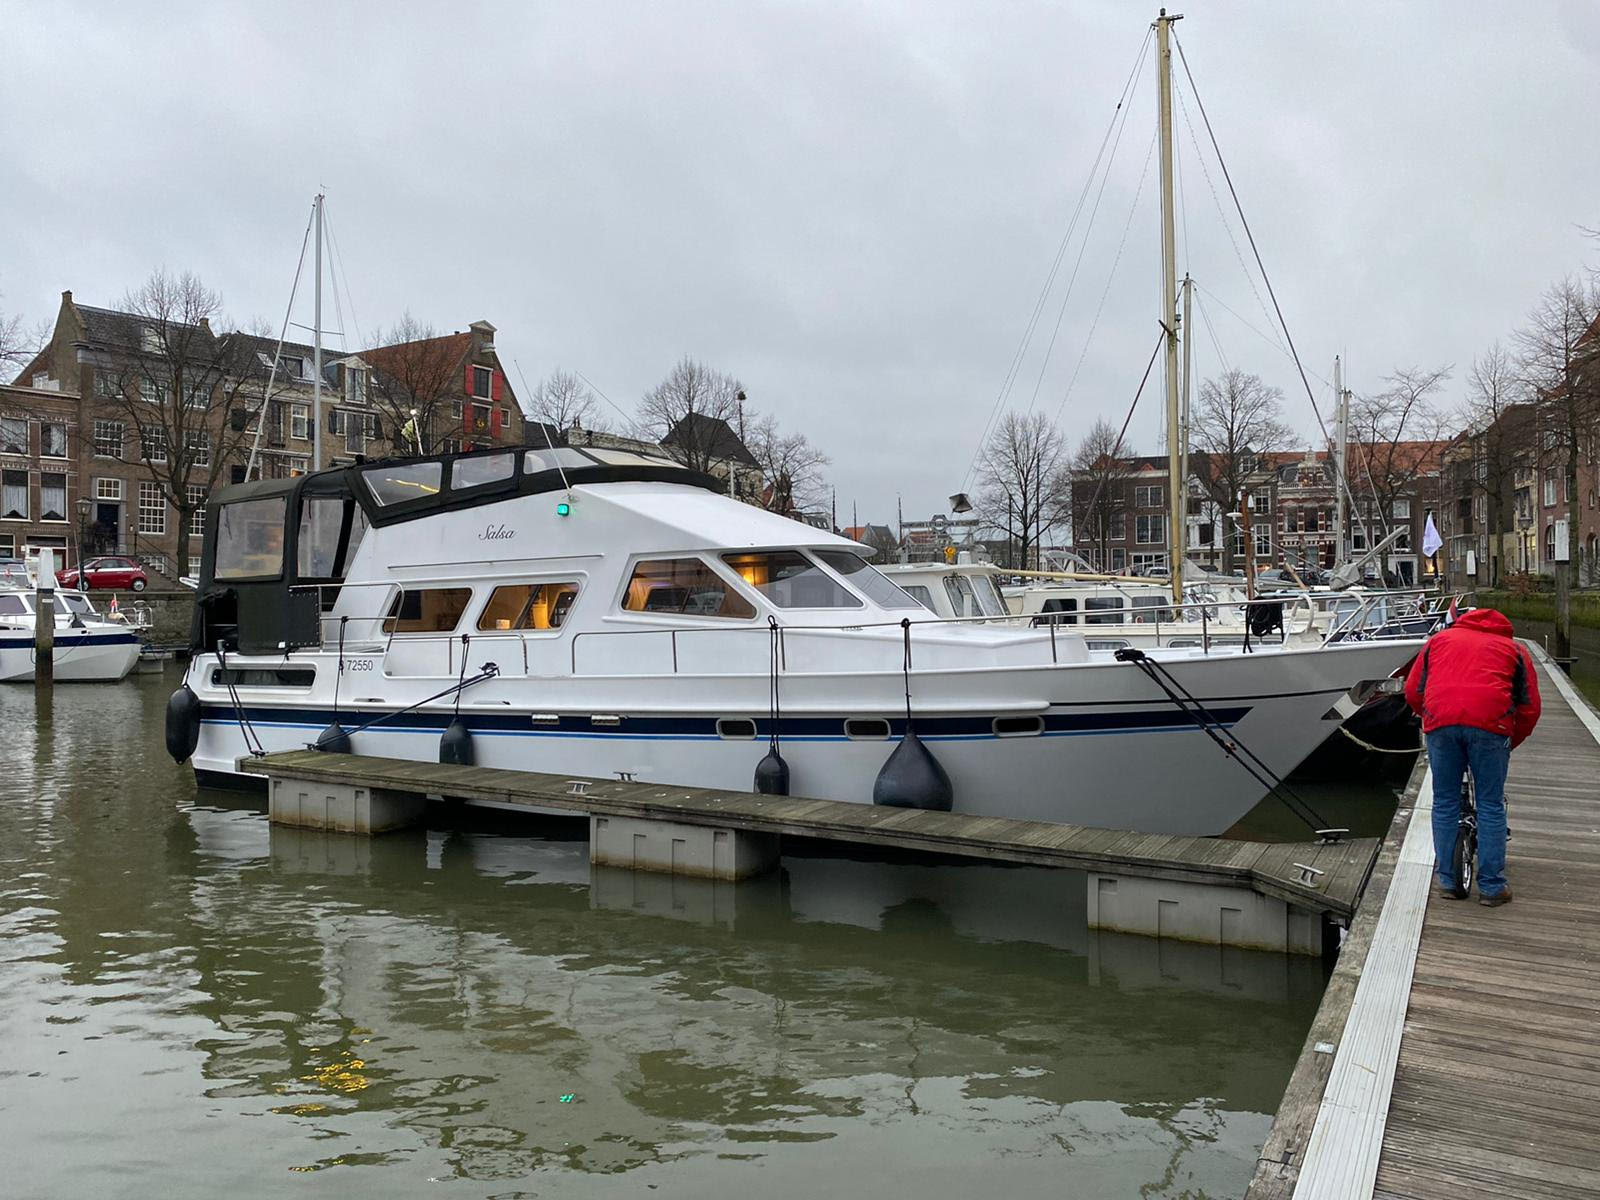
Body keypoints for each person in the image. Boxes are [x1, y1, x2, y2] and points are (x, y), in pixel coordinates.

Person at [1404, 608, 1540, 906]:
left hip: (1442, 724)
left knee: (1444, 801)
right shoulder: (1515, 650)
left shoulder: (1438, 641)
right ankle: (1492, 887)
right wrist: (1510, 741)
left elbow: (1413, 691)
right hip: (1492, 727)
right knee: (1490, 803)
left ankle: (1449, 881)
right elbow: (1530, 708)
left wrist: (1431, 716)